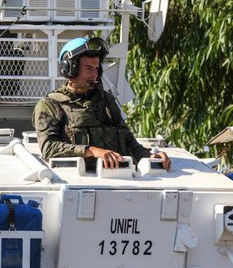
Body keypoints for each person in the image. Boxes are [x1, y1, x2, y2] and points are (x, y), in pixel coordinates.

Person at [33, 37, 171, 170]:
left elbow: (127, 139)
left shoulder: (106, 100)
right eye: (88, 69)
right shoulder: (51, 105)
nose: (94, 75)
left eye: (96, 69)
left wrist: (148, 156)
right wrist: (91, 151)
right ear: (70, 69)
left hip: (119, 175)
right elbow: (48, 148)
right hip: (78, 179)